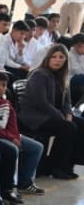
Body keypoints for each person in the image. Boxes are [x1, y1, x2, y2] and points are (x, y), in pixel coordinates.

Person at [17, 43, 83, 179]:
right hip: (35, 116)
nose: (57, 60)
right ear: (48, 58)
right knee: (68, 127)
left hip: (51, 114)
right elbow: (41, 102)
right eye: (54, 57)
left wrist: (68, 114)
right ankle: (55, 167)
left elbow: (67, 101)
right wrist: (61, 117)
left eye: (61, 57)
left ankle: (68, 165)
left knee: (80, 124)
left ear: (65, 60)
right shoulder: (39, 74)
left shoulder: (63, 76)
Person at [0, 72, 45, 197]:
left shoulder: (5, 101)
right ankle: (8, 186)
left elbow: (12, 122)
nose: (0, 88)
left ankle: (25, 183)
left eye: (3, 85)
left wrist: (15, 136)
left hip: (7, 134)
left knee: (37, 147)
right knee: (12, 149)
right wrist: (10, 138)